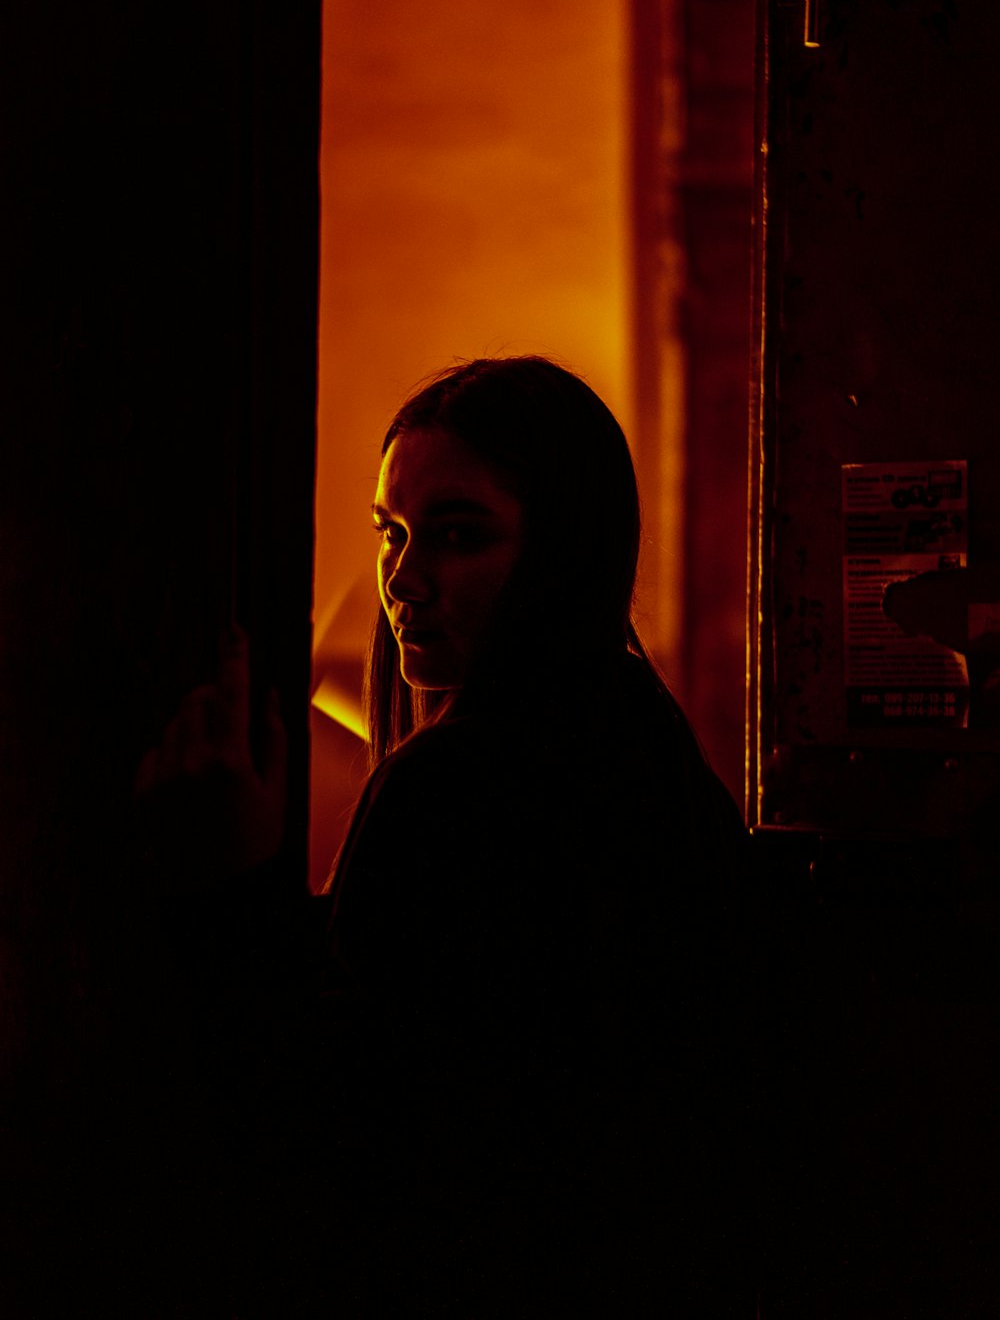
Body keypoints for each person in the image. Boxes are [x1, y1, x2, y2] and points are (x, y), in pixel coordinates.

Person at [139, 356, 754, 1316]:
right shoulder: (646, 737)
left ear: (565, 552)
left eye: (459, 537)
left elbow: (344, 1131)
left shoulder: (459, 781)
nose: (402, 581)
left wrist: (224, 889)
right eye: (390, 532)